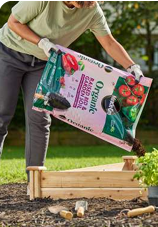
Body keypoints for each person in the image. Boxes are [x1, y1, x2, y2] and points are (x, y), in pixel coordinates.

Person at [0, 1, 143, 188]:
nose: (84, 5)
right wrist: (42, 42)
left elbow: (108, 41)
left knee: (40, 119)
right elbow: (13, 22)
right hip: (9, 52)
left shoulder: (92, 9)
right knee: (2, 115)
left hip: (44, 63)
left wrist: (132, 66)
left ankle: (34, 183)